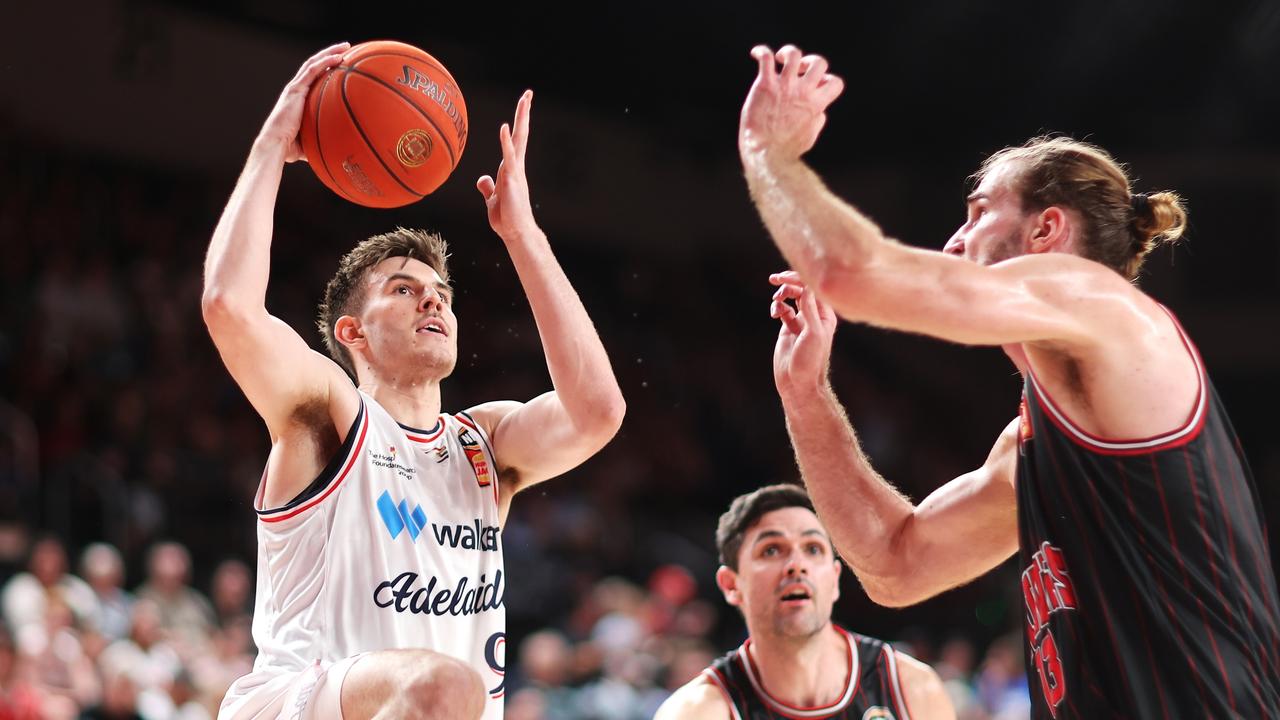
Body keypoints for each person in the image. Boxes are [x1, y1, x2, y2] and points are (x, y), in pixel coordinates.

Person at [741, 43, 1280, 717]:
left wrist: (769, 152)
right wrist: (807, 397)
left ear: (1048, 228)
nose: (954, 242)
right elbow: (894, 564)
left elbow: (857, 273)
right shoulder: (1033, 438)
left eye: (977, 212)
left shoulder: (1101, 306)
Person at [202, 43, 626, 720]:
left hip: (425, 708)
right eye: (404, 290)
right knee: (448, 686)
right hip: (299, 703)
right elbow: (229, 307)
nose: (433, 301)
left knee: (451, 692)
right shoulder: (329, 414)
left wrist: (523, 235)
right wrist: (272, 144)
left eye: (441, 292)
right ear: (353, 333)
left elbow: (597, 412)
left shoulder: (482, 445)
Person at [654, 484, 953, 719]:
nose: (797, 565)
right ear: (732, 585)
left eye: (813, 548)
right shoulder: (698, 712)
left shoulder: (911, 689)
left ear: (835, 579)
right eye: (771, 550)